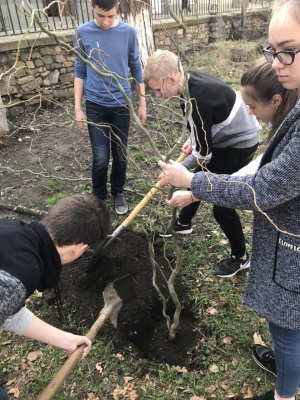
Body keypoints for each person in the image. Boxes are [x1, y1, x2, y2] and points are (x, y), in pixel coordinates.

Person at [157, 0, 300, 396]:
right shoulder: (294, 106)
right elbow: (262, 170)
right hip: (287, 242)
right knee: (289, 328)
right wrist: (194, 190)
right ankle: (291, 369)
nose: (277, 62)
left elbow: (264, 188)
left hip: (293, 251)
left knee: (287, 327)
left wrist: (194, 180)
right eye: (272, 51)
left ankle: (284, 393)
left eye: (286, 49)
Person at [143, 49, 261, 279]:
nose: (156, 95)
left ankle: (241, 257)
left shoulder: (196, 100)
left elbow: (203, 156)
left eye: (157, 89)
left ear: (171, 79)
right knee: (201, 175)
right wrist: (194, 138)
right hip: (227, 136)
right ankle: (184, 222)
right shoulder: (188, 83)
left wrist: (177, 170)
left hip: (240, 142)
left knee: (221, 204)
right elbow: (203, 125)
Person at [0, 194, 110, 400]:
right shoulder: (19, 276)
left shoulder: (10, 230)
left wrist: (65, 340)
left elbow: (10, 313)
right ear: (80, 248)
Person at [74, 0, 147, 215]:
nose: (106, 22)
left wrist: (142, 102)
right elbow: (80, 70)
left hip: (121, 104)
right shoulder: (82, 32)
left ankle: (118, 191)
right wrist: (78, 107)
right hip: (95, 105)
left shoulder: (128, 33)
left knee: (120, 154)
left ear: (117, 8)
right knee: (100, 157)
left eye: (111, 16)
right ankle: (98, 197)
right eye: (100, 16)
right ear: (91, 6)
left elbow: (136, 67)